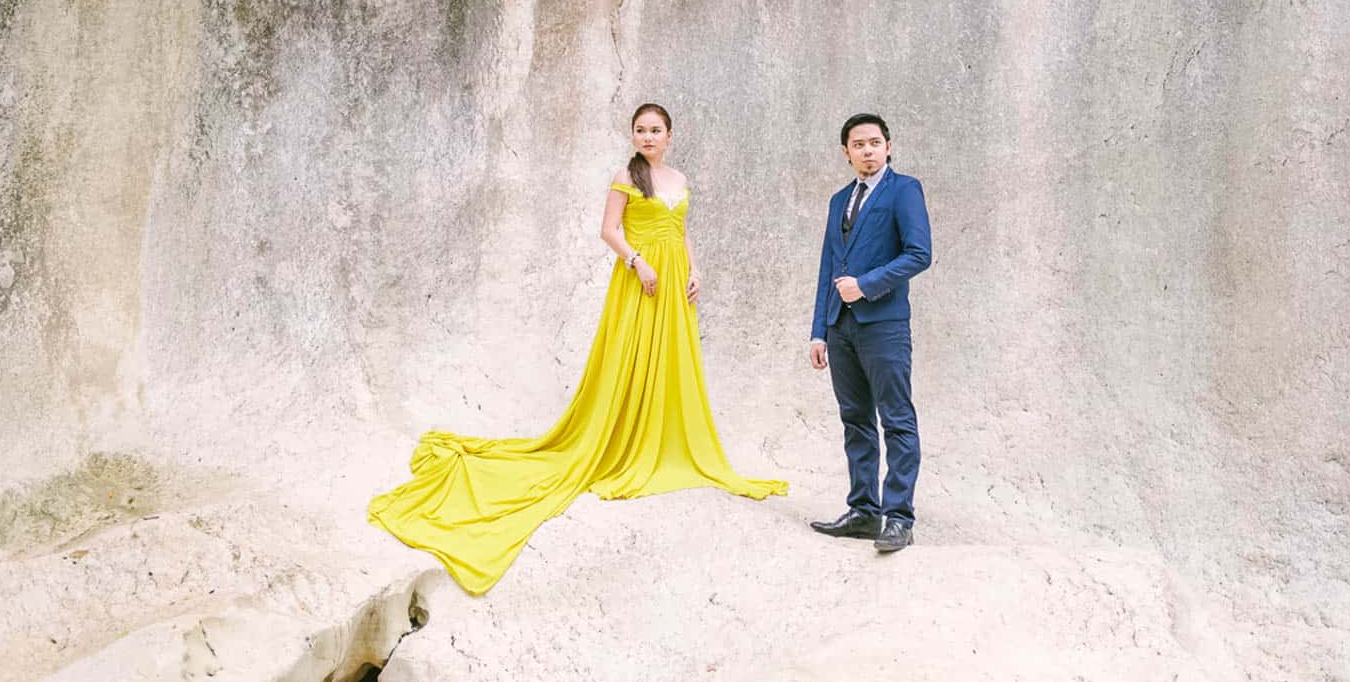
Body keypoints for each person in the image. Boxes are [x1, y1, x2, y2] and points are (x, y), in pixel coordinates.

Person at [368, 103, 786, 595]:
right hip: (641, 280)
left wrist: (695, 270)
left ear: (670, 135)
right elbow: (609, 230)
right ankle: (620, 438)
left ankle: (660, 437)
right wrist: (637, 262)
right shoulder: (625, 176)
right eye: (640, 130)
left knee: (670, 362)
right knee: (628, 358)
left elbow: (681, 230)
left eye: (655, 130)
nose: (647, 137)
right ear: (632, 135)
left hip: (674, 280)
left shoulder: (679, 178)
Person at [808, 113, 932, 553]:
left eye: (875, 143)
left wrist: (866, 285)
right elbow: (829, 265)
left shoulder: (904, 190)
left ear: (888, 147)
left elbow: (919, 254)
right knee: (855, 420)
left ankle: (898, 518)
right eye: (858, 145)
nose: (867, 151)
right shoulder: (839, 199)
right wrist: (819, 331)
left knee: (896, 419)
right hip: (840, 327)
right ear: (846, 152)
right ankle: (863, 511)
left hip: (884, 326)